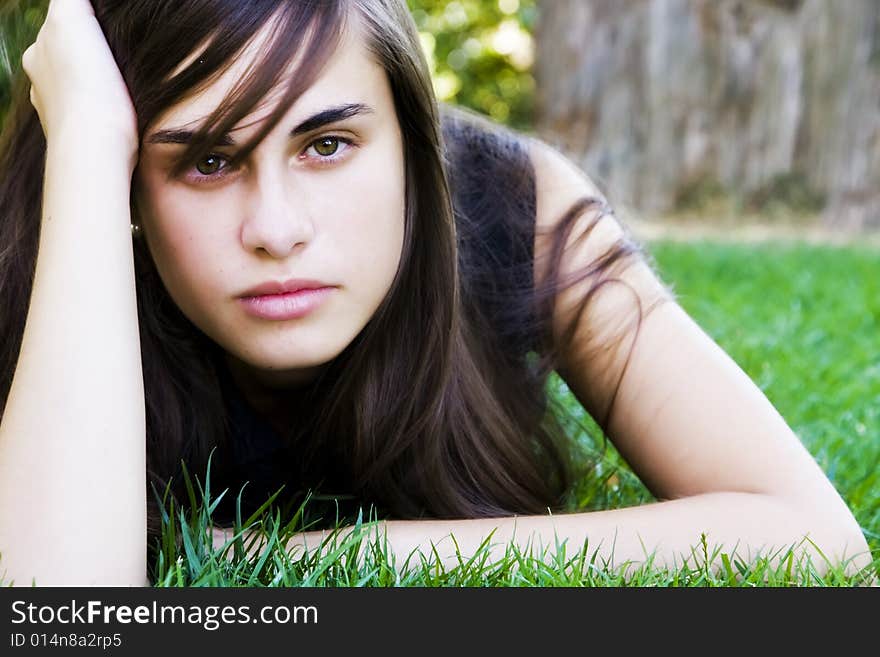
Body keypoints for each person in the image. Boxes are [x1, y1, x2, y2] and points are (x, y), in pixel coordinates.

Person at [0, 0, 871, 587]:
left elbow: (811, 535)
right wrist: (82, 135)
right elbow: (58, 608)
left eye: (328, 144)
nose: (277, 227)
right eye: (208, 160)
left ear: (414, 142)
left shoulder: (513, 206)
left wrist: (325, 555)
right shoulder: (55, 254)